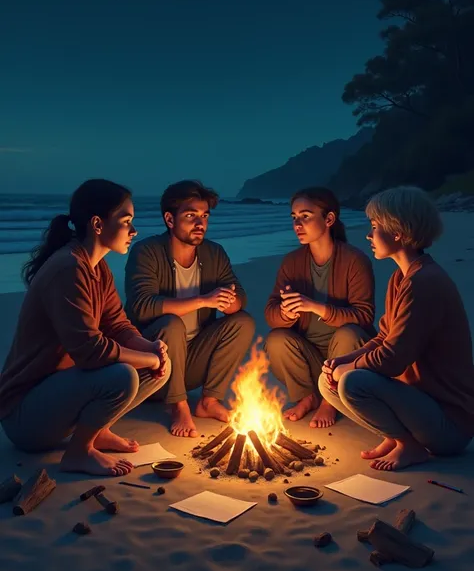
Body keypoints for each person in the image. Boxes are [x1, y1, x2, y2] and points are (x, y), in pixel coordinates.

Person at [0, 179, 170, 477]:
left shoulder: (97, 267)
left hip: (61, 396)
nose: (134, 231)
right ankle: (79, 453)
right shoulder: (68, 268)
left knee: (160, 367)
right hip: (25, 418)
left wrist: (152, 350)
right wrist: (149, 358)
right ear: (97, 224)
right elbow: (92, 352)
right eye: (127, 221)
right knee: (122, 375)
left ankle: (97, 431)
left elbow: (117, 324)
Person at [319, 186, 474, 471]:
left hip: (449, 425)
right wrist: (340, 362)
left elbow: (392, 359)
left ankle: (409, 446)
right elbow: (383, 338)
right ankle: (396, 436)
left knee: (353, 382)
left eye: (375, 227)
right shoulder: (401, 278)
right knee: (326, 381)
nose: (368, 235)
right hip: (419, 406)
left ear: (398, 233)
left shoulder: (423, 283)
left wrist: (350, 368)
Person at [124, 179, 255, 438]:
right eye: (191, 215)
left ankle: (209, 402)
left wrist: (231, 303)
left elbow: (239, 295)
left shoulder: (214, 253)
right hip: (152, 367)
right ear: (170, 220)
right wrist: (204, 300)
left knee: (243, 321)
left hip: (191, 364)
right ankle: (178, 405)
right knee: (171, 323)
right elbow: (141, 307)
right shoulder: (147, 251)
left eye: (204, 216)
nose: (200, 224)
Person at [264, 187, 375, 428]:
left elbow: (364, 317)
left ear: (329, 219)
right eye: (294, 217)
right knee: (276, 339)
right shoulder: (292, 262)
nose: (298, 224)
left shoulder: (355, 260)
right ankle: (307, 397)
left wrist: (316, 307)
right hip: (310, 360)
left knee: (348, 332)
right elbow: (271, 312)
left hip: (348, 359)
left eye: (306, 216)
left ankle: (330, 402)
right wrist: (285, 313)